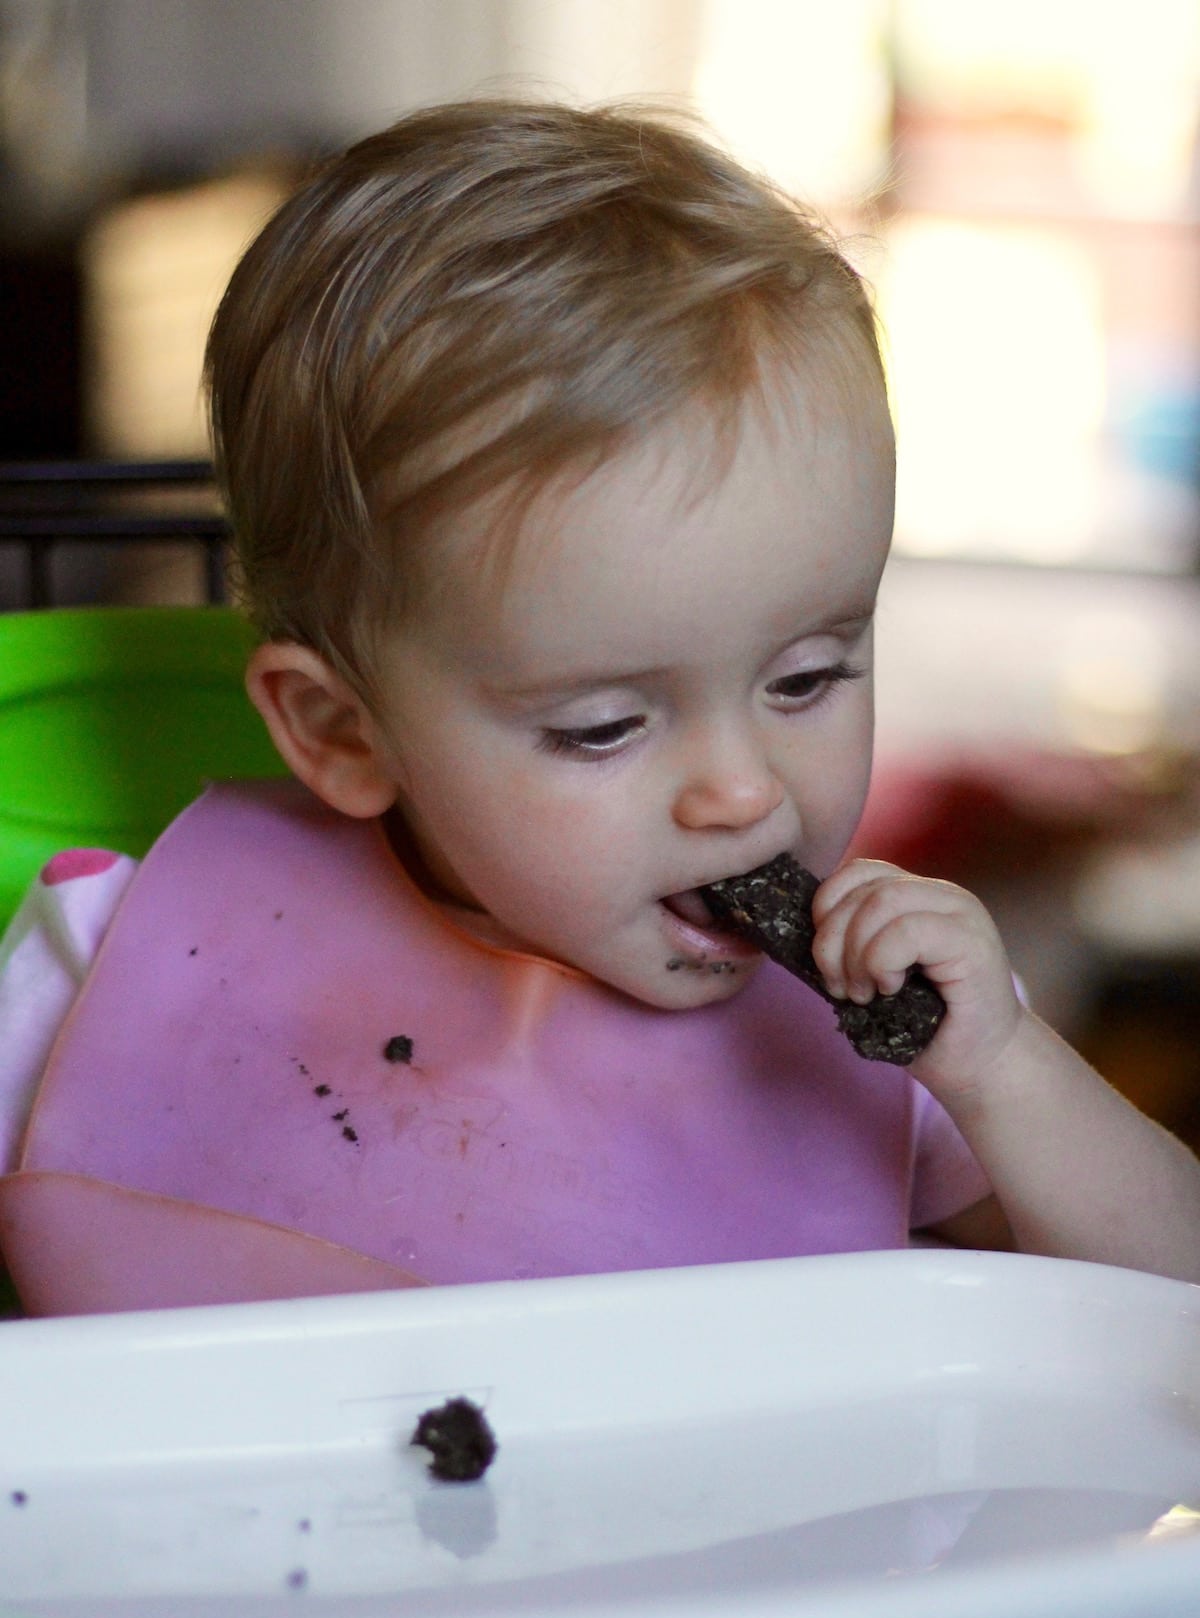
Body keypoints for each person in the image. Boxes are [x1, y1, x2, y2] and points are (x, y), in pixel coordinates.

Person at [1, 99, 1197, 1316]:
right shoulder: (106, 956)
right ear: (340, 732)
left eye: (805, 678)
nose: (746, 790)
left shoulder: (891, 1023)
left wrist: (1004, 1067)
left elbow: (1171, 1317)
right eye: (602, 727)